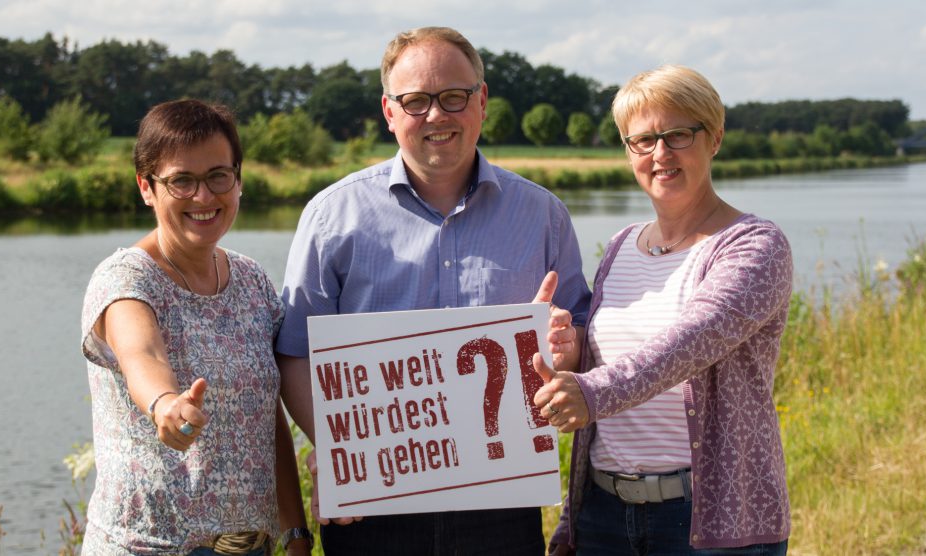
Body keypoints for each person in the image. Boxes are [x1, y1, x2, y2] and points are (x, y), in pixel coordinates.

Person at [276, 26, 591, 555]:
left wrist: (568, 347)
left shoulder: (543, 216)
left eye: (453, 97)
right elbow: (294, 354)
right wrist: (338, 450)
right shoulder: (332, 217)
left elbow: (580, 338)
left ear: (482, 101)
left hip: (502, 504)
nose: (436, 115)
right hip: (373, 507)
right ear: (389, 111)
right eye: (416, 101)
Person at [534, 65, 793, 555]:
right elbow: (608, 371)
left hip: (710, 521)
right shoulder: (620, 245)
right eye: (643, 140)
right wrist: (572, 352)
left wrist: (589, 389)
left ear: (713, 138)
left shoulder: (755, 245)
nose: (661, 154)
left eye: (678, 134)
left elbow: (689, 344)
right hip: (604, 515)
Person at [80, 99, 312, 555]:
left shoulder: (252, 281)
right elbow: (141, 354)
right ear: (147, 187)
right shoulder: (125, 278)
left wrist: (296, 532)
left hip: (252, 547)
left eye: (217, 177)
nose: (203, 197)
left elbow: (269, 418)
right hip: (147, 546)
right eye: (181, 181)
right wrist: (165, 404)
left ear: (238, 180)